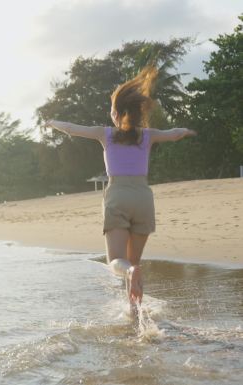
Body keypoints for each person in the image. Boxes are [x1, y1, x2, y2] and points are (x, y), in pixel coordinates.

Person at [46, 66, 196, 313]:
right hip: (143, 197)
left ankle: (129, 274)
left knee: (117, 261)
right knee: (135, 259)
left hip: (118, 195)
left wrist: (52, 122)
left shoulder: (105, 134)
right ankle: (135, 314)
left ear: (115, 113)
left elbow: (72, 128)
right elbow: (175, 134)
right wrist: (189, 131)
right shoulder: (147, 135)